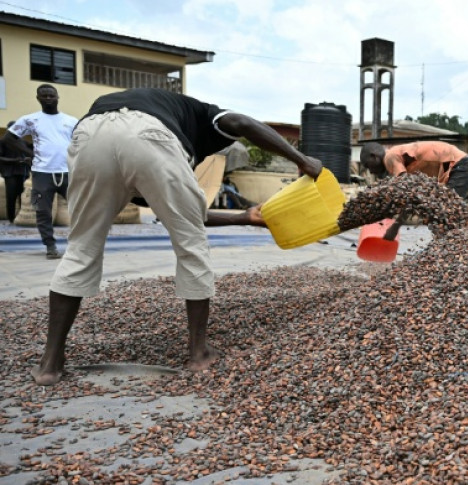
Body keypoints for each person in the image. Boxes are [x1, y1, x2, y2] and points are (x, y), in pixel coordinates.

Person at [30, 88, 323, 386]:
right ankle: (199, 353)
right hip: (149, 134)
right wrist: (301, 159)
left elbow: (178, 211)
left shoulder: (157, 107)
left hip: (89, 136)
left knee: (80, 248)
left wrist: (244, 217)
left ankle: (49, 364)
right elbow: (243, 124)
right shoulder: (205, 113)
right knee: (191, 249)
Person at [2, 85, 78, 258]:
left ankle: (79, 245)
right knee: (41, 210)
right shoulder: (30, 120)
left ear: (58, 97)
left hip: (68, 173)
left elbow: (82, 141)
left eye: (51, 95)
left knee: (80, 208)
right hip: (40, 174)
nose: (48, 98)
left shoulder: (71, 120)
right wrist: (30, 153)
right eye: (44, 96)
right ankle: (50, 246)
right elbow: (8, 138)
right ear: (38, 98)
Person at [360, 140, 468, 198]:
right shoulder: (397, 156)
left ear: (373, 157)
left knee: (449, 210)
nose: (370, 171)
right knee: (446, 209)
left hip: (460, 165)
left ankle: (466, 241)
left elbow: (405, 186)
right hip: (459, 166)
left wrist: (395, 225)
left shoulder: (389, 157)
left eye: (367, 165)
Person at [1, 120, 33, 223]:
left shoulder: (23, 142)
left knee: (22, 196)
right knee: (11, 196)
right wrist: (16, 161)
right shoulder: (3, 141)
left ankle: (21, 217)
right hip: (9, 172)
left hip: (22, 172)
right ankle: (11, 219)